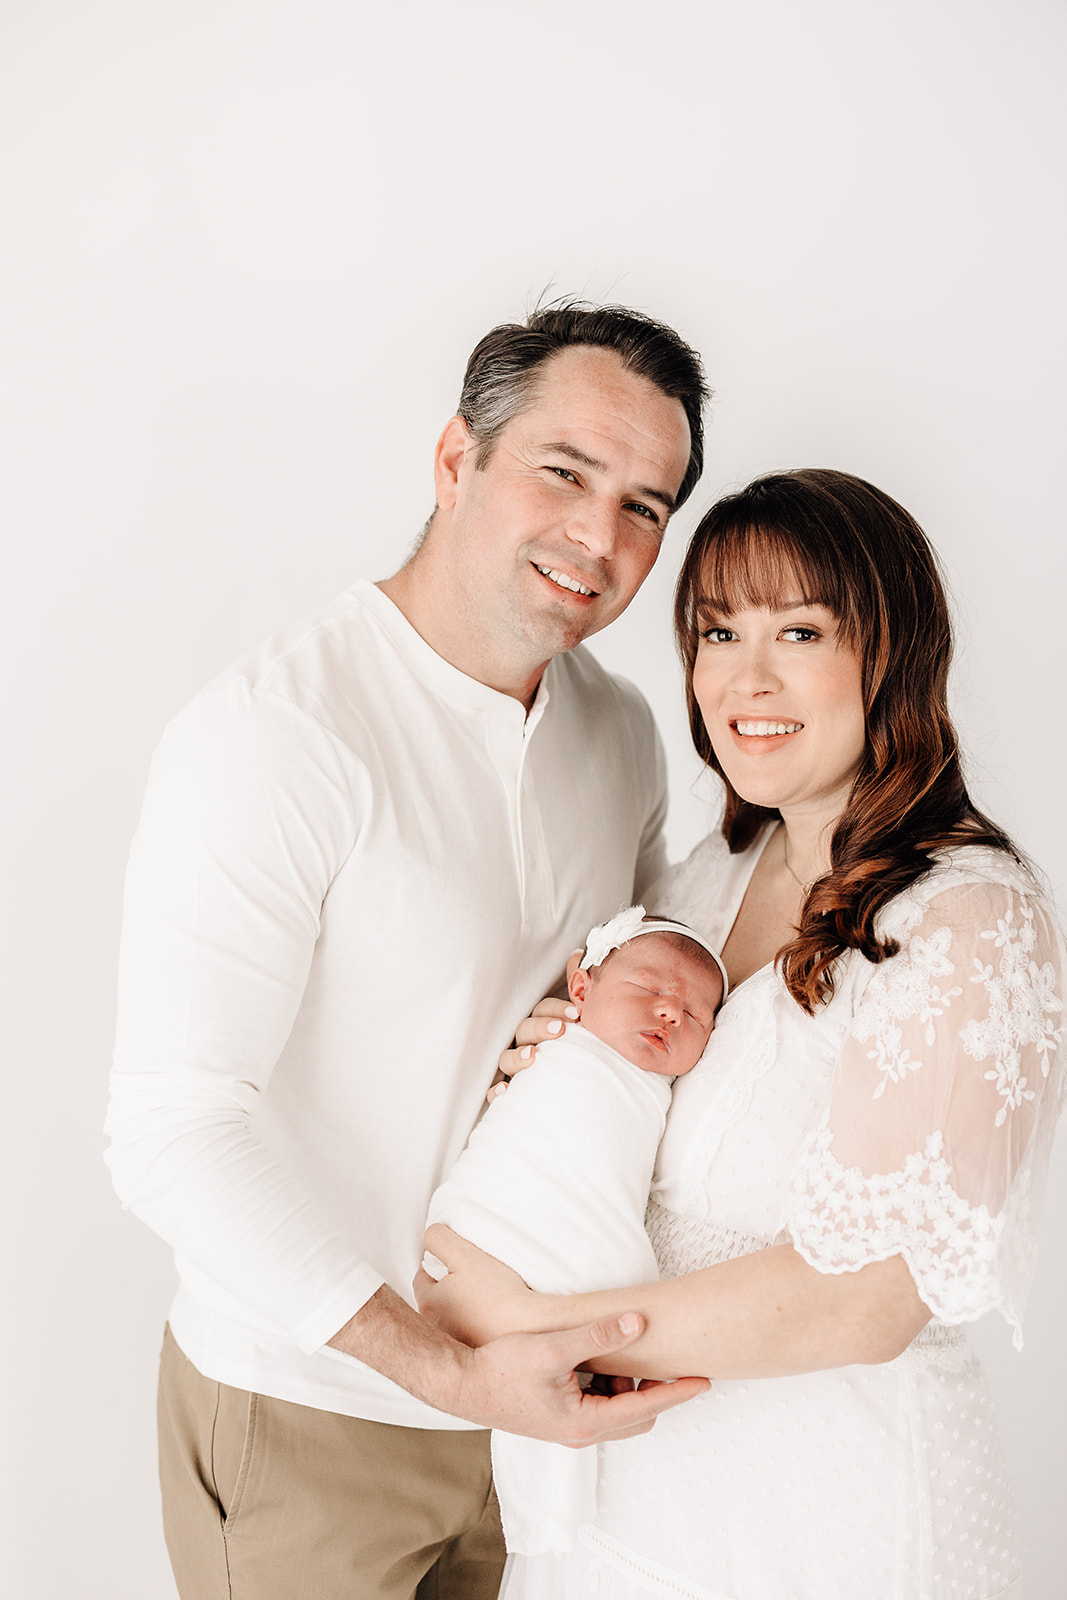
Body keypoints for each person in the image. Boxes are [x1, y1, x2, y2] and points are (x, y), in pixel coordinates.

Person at [103, 301, 713, 1600]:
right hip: (304, 1414)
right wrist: (444, 1370)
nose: (598, 539)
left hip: (525, 1426)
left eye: (645, 508)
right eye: (564, 472)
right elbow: (168, 1130)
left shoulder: (619, 737)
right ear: (455, 462)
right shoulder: (276, 737)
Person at [418, 467, 1067, 1600]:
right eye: (715, 631)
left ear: (890, 654)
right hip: (635, 1509)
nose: (744, 676)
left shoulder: (968, 918)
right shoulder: (704, 877)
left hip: (826, 1523)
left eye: (798, 631)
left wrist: (532, 1330)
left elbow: (865, 1298)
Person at [425, 905, 727, 1556]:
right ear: (581, 986)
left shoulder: (657, 1091)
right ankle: (546, 1523)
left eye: (696, 1013)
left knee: (550, 1384)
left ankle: (548, 1528)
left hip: (571, 1242)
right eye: (648, 990)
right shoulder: (559, 1047)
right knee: (558, 1357)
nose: (670, 1012)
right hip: (499, 1220)